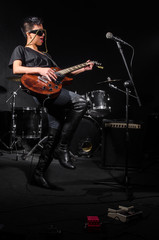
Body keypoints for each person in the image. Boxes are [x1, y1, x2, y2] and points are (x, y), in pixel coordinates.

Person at [9, 16, 94, 190]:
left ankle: (38, 175)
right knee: (80, 102)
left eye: (43, 32)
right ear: (28, 33)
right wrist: (40, 69)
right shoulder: (21, 50)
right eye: (39, 32)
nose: (42, 36)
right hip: (40, 91)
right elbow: (17, 69)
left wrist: (82, 69)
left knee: (54, 134)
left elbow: (61, 75)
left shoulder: (46, 55)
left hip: (53, 90)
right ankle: (63, 148)